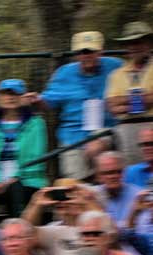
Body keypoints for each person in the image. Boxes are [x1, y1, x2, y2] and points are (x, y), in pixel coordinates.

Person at [36, 31, 122, 179]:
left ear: (100, 51)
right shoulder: (64, 73)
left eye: (91, 51)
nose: (86, 55)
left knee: (94, 148)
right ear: (76, 54)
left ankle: (101, 183)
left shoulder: (115, 66)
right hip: (72, 134)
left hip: (106, 130)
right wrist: (36, 100)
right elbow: (48, 101)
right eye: (82, 52)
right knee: (74, 181)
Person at [0, 81, 48, 215]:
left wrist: (14, 178)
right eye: (5, 93)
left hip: (28, 180)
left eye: (15, 93)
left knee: (15, 189)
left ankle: (18, 229)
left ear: (23, 97)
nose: (10, 97)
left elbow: (37, 158)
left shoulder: (36, 124)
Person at [105, 22, 153, 164]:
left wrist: (123, 101)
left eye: (138, 42)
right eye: (130, 43)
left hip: (151, 124)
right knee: (131, 172)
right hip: (126, 129)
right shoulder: (116, 74)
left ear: (148, 44)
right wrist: (143, 100)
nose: (134, 47)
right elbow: (113, 106)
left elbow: (118, 103)